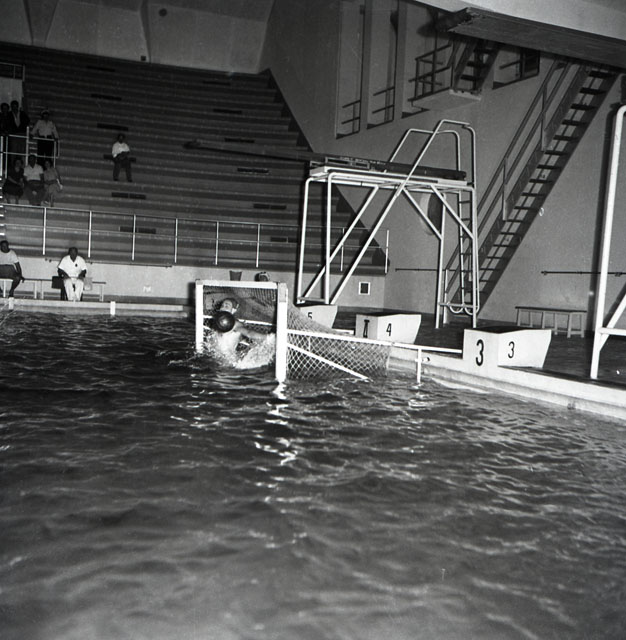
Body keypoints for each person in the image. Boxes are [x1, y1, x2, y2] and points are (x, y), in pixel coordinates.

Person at [209, 297, 275, 368]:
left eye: (226, 306)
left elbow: (249, 333)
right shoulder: (218, 323)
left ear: (233, 310)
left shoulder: (235, 324)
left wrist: (269, 337)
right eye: (222, 306)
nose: (223, 308)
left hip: (229, 363)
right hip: (216, 360)